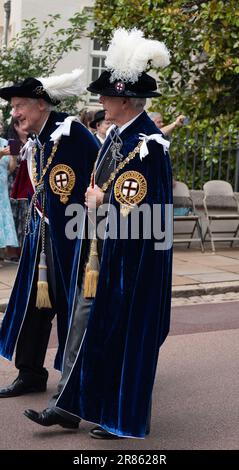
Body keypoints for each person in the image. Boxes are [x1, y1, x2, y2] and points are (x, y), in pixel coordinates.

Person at [24, 28, 173, 439]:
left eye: (106, 96)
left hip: (130, 263)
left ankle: (118, 418)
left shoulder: (149, 146)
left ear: (125, 100)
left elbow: (148, 213)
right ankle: (70, 406)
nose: (101, 101)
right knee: (83, 326)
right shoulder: (120, 137)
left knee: (119, 339)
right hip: (102, 253)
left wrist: (99, 204)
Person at [0, 69, 99, 398]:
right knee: (32, 304)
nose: (14, 113)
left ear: (41, 104)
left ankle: (73, 384)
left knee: (71, 308)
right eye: (13, 107)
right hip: (40, 233)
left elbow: (101, 177)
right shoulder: (38, 138)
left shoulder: (72, 133)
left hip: (73, 239)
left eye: (18, 106)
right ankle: (30, 373)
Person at [6, 117, 29, 261]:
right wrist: (14, 157)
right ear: (15, 126)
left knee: (25, 216)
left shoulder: (33, 141)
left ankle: (23, 249)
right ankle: (12, 251)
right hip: (14, 183)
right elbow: (10, 168)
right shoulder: (11, 143)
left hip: (28, 183)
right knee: (15, 216)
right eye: (21, 123)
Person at [0, 137, 18, 264]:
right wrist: (0, 154)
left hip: (2, 187)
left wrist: (14, 156)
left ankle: (1, 255)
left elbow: (10, 169)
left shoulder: (5, 142)